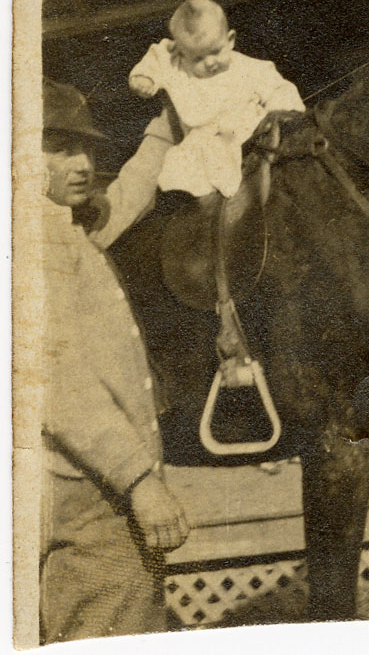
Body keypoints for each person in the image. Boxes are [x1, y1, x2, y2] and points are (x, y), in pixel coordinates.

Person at [40, 79, 189, 643]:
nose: (83, 164)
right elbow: (57, 384)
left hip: (95, 491)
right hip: (89, 493)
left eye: (88, 149)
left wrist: (167, 124)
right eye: (60, 148)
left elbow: (128, 194)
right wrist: (140, 482)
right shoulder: (28, 245)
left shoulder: (63, 227)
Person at [129, 0, 305, 199]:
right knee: (180, 162)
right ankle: (191, 202)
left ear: (230, 40)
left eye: (215, 51)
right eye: (198, 58)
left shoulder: (249, 68)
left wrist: (282, 115)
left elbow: (279, 89)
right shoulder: (179, 66)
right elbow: (159, 55)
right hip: (204, 145)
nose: (210, 62)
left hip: (251, 137)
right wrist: (144, 78)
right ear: (182, 54)